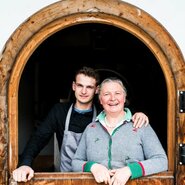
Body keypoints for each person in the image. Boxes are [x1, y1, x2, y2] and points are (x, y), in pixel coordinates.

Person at [13, 67, 149, 182]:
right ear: (74, 86)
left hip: (98, 179)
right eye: (80, 86)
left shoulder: (104, 111)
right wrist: (25, 164)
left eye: (89, 87)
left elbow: (119, 109)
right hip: (66, 179)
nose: (84, 91)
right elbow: (38, 138)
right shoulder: (59, 111)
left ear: (96, 90)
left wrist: (136, 113)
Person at [72, 77, 168, 185]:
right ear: (100, 100)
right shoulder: (91, 129)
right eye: (106, 94)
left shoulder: (140, 125)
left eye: (117, 93)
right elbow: (75, 163)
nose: (112, 98)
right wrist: (93, 167)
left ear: (124, 97)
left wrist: (130, 170)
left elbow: (161, 161)